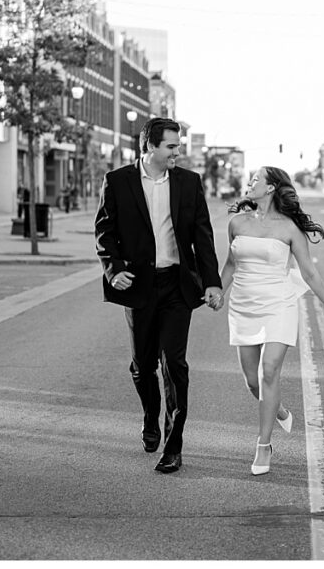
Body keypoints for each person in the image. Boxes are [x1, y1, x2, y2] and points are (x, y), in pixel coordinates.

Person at [95, 117, 223, 474]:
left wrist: (212, 281)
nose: (177, 153)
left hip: (176, 286)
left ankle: (173, 445)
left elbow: (203, 236)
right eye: (171, 146)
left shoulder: (188, 182)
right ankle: (151, 416)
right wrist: (114, 268)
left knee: (175, 365)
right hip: (139, 284)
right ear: (150, 146)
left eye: (178, 147)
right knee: (142, 366)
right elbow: (104, 231)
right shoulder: (118, 182)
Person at [212, 166, 324, 475]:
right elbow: (231, 263)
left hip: (279, 305)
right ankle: (278, 409)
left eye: (256, 179)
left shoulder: (289, 228)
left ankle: (264, 445)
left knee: (269, 370)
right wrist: (219, 292)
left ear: (271, 188)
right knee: (252, 381)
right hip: (244, 305)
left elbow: (309, 272)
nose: (250, 183)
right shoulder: (236, 223)